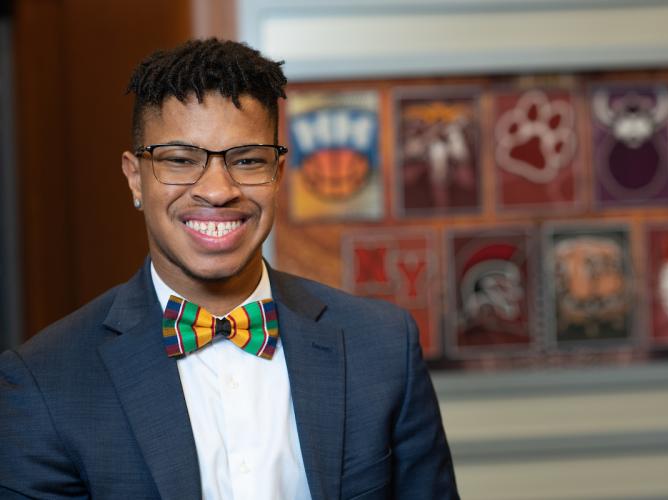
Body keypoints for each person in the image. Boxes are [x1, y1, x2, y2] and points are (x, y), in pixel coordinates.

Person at [0, 39, 458, 500]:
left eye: (246, 160)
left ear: (277, 173)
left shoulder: (382, 347)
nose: (218, 191)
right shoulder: (42, 383)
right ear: (135, 177)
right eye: (180, 160)